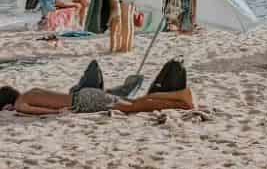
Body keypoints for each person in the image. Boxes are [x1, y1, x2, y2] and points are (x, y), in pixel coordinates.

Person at [0, 58, 195, 116]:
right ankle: (179, 97)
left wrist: (58, 112)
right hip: (83, 93)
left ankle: (180, 100)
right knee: (131, 103)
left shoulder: (20, 103)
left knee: (131, 107)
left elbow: (33, 110)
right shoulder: (29, 91)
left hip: (83, 101)